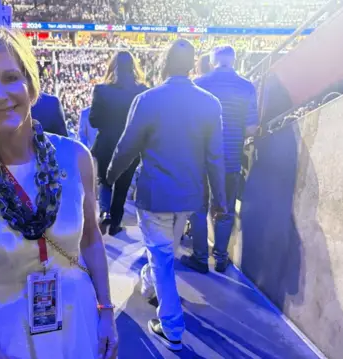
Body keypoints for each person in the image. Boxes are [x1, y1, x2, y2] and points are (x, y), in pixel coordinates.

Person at [0, 25, 117, 359]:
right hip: (4, 334)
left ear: (30, 85)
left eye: (9, 77)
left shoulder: (76, 157)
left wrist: (106, 311)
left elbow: (91, 238)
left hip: (79, 322)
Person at [107, 39, 226, 351]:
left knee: (162, 257)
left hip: (155, 196)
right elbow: (216, 158)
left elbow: (126, 146)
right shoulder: (210, 103)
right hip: (189, 198)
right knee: (164, 252)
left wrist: (109, 175)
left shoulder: (148, 99)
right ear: (191, 65)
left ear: (164, 64)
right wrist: (220, 201)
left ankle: (171, 327)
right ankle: (149, 281)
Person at [182, 45, 259, 273]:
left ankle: (200, 257)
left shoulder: (199, 84)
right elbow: (252, 129)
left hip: (201, 159)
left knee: (198, 208)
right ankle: (222, 258)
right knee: (224, 209)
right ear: (234, 61)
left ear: (213, 61)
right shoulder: (247, 87)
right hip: (231, 160)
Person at [89, 51, 149, 236]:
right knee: (122, 186)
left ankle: (104, 212)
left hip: (106, 144)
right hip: (131, 146)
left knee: (105, 181)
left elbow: (93, 120)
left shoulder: (101, 90)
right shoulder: (142, 90)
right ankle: (115, 223)